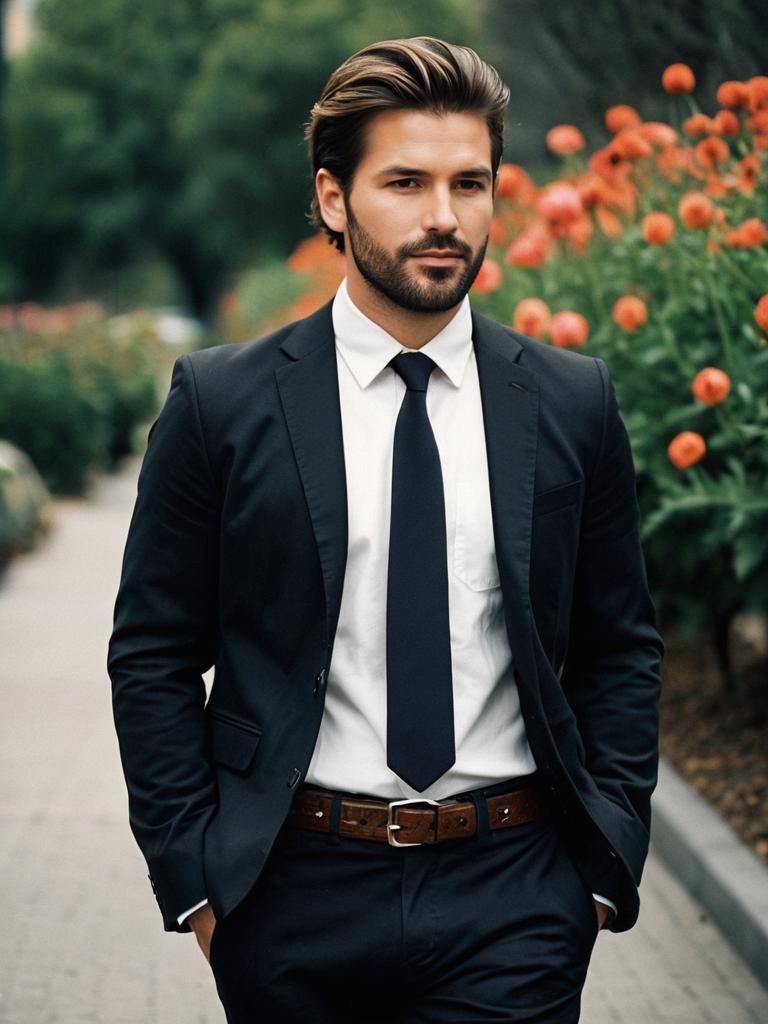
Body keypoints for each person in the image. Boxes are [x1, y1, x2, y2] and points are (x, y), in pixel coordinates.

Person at [108, 36, 664, 1024]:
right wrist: (198, 886)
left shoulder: (572, 401)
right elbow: (153, 651)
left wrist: (601, 869)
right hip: (292, 894)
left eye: (469, 184)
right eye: (406, 183)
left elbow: (619, 643)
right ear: (334, 198)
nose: (443, 216)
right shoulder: (222, 404)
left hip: (515, 896)